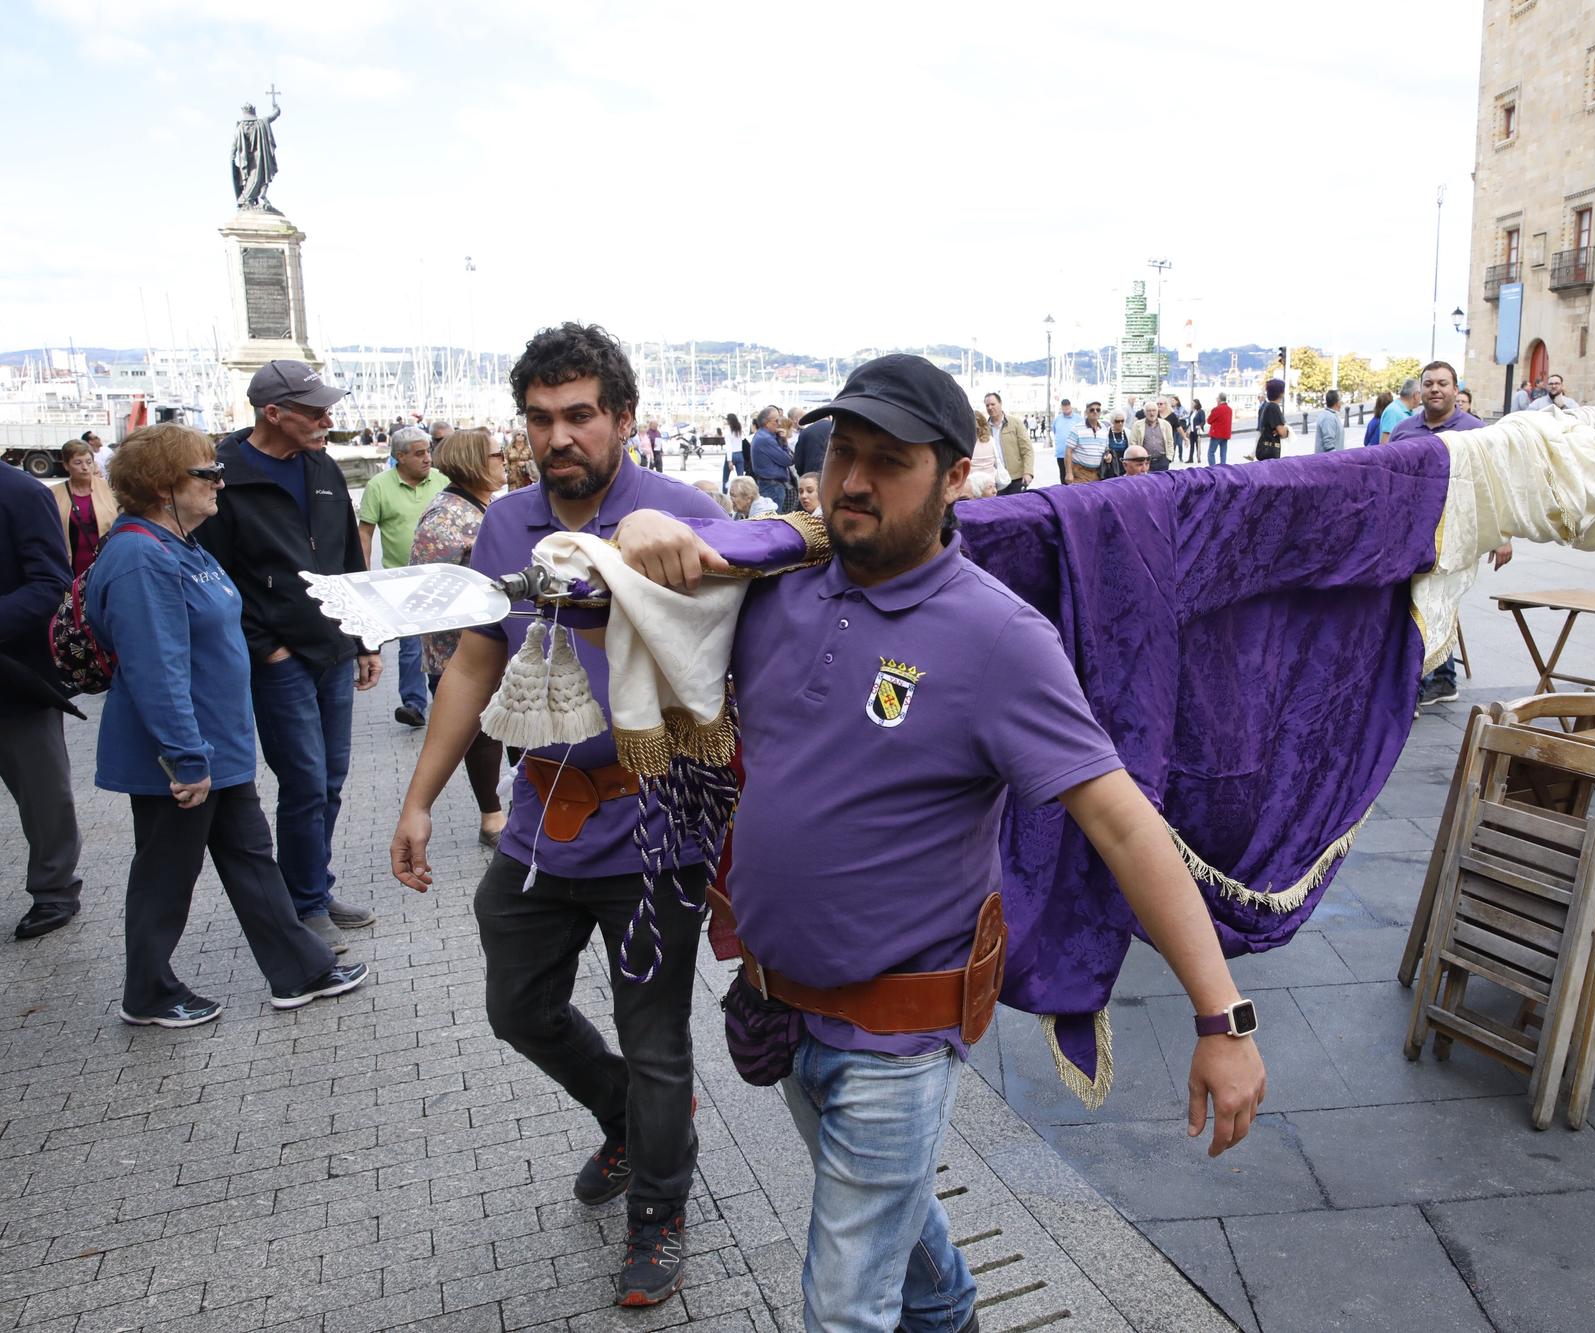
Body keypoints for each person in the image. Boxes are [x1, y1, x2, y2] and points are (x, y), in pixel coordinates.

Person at [612, 353, 1266, 1330]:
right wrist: (638, 525)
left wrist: (1224, 1020)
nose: (854, 481)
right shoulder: (779, 587)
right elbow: (665, 563)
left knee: (841, 1302)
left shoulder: (996, 638)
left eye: (889, 461)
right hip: (781, 1004)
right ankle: (952, 1310)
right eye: (842, 455)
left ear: (956, 476)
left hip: (896, 1037)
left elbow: (1123, 824)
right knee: (894, 1216)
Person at [390, 322, 727, 1309]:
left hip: (655, 826)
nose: (559, 435)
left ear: (623, 418)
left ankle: (658, 1206)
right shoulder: (506, 524)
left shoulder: (684, 511)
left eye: (580, 414)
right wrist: (418, 800)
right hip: (542, 822)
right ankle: (630, 1116)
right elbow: (477, 663)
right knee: (515, 1004)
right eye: (540, 419)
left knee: (655, 1031)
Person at [91, 423, 369, 1026]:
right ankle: (148, 991)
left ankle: (301, 968)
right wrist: (185, 758)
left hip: (216, 748)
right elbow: (155, 669)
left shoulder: (180, 545)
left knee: (250, 858)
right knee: (166, 873)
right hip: (179, 757)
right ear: (164, 485)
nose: (221, 481)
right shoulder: (141, 556)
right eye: (206, 473)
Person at [197, 359, 381, 957]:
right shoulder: (226, 477)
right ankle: (302, 905)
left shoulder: (322, 465)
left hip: (332, 645)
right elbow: (214, 576)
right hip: (280, 658)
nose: (328, 418)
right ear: (272, 414)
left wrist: (365, 637)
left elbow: (350, 558)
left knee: (329, 778)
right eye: (314, 410)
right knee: (303, 781)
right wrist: (265, 647)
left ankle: (313, 889)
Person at [408, 428, 510, 849]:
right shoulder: (445, 516)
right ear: (474, 461)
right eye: (496, 454)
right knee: (481, 736)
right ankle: (492, 817)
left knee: (509, 730)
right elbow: (428, 591)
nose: (504, 459)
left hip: (498, 643)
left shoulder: (485, 505)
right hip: (459, 651)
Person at [1391, 363, 1512, 706]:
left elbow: (1495, 485)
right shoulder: (1403, 431)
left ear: (1456, 389)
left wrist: (1502, 535)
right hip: (1410, 536)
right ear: (1420, 391)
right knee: (1421, 605)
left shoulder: (1476, 432)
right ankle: (1442, 678)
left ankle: (1418, 686)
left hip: (1456, 535)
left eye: (1442, 383)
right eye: (1428, 384)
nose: (1435, 389)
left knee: (1436, 603)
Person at [0, 454, 81, 941]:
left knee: (43, 792)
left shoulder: (22, 494)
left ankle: (54, 892)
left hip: (15, 677)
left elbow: (52, 584)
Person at [358, 425, 449, 727]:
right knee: (411, 647)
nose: (428, 459)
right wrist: (364, 574)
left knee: (441, 642)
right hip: (401, 580)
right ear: (400, 457)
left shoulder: (441, 481)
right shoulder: (379, 486)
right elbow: (366, 532)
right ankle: (413, 704)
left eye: (428, 452)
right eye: (420, 453)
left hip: (441, 577)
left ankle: (445, 699)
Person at [54, 440, 116, 573]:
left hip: (106, 563)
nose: (85, 467)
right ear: (66, 465)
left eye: (89, 462)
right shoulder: (54, 494)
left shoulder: (109, 488)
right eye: (78, 463)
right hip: (71, 565)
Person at [984, 393, 1033, 494]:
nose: (990, 407)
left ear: (1000, 404)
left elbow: (1027, 450)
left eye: (993, 404)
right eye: (987, 405)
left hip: (1016, 478)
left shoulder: (1015, 423)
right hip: (995, 480)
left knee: (1016, 508)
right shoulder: (984, 428)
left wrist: (1028, 472)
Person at [748, 406, 795, 511]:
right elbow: (788, 460)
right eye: (777, 420)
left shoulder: (763, 436)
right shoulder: (765, 439)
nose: (779, 423)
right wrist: (784, 440)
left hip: (770, 484)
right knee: (775, 519)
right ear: (767, 423)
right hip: (772, 486)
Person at [1066, 401, 1109, 483]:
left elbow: (1106, 449)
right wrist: (1069, 473)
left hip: (1097, 473)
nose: (1095, 412)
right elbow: (1068, 451)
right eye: (1092, 410)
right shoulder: (1077, 428)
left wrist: (1108, 455)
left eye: (1098, 410)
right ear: (1086, 412)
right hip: (1080, 473)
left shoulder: (1104, 428)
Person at [1254, 377, 1289, 461]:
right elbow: (1282, 432)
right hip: (1270, 452)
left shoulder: (1265, 406)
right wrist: (1287, 430)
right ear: (1281, 393)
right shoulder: (1274, 407)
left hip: (1264, 448)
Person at [1049, 398, 1081, 479]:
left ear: (1070, 406)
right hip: (1061, 455)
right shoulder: (1057, 419)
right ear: (1061, 407)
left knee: (1076, 479)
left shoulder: (1079, 419)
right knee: (1063, 478)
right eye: (1064, 407)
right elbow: (1055, 432)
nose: (1066, 409)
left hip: (1075, 455)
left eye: (1067, 407)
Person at [968, 411, 998, 495]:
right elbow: (997, 462)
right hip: (990, 484)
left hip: (974, 485)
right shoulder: (991, 440)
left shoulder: (968, 443)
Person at [1205, 392, 1232, 466]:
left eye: (1217, 398)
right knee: (1223, 453)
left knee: (1211, 452)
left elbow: (1209, 421)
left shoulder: (1217, 409)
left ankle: (1213, 469)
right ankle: (1223, 468)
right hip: (1226, 434)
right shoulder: (1229, 409)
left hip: (1216, 434)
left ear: (1219, 399)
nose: (1216, 399)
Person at [1188, 397, 1206, 463]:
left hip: (1197, 431)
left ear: (1196, 404)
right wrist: (1187, 429)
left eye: (1193, 403)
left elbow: (1203, 421)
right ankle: (1190, 459)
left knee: (1198, 446)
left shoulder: (1201, 411)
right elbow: (1190, 421)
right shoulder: (1192, 412)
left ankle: (1198, 458)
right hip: (1192, 431)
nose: (1192, 404)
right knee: (1191, 446)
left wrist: (1200, 426)